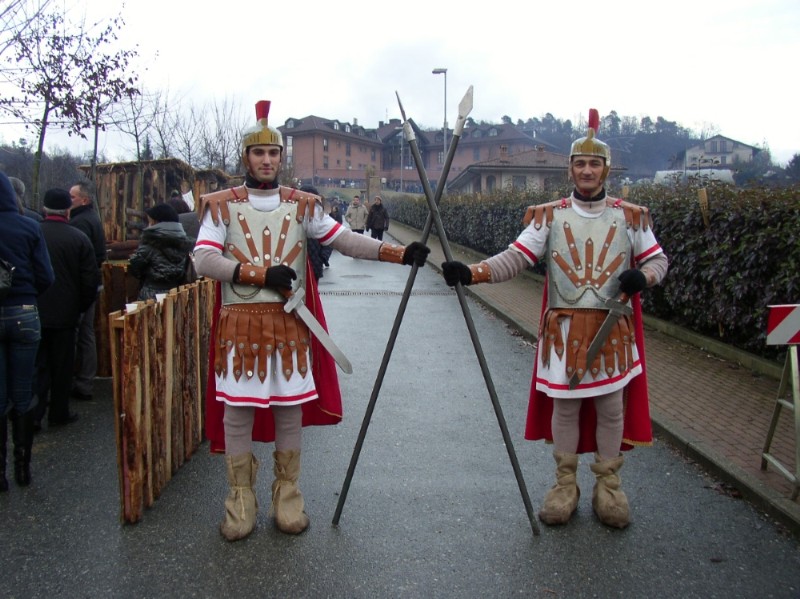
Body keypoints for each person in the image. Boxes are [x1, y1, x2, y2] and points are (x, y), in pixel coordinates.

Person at [193, 99, 430, 541]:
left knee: (288, 411)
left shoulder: (304, 206)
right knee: (239, 413)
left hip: (288, 325)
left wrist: (398, 253)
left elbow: (344, 240)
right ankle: (240, 500)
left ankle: (288, 494)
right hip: (240, 326)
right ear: (246, 158)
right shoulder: (220, 208)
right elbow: (203, 259)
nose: (266, 160)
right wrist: (258, 274)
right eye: (258, 153)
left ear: (281, 159)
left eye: (273, 153)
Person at [440, 110, 668, 529]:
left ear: (605, 169)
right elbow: (517, 257)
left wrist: (645, 275)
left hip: (611, 328)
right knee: (564, 409)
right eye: (579, 163)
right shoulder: (550, 216)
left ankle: (609, 487)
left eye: (594, 163)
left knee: (610, 408)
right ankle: (565, 485)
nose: (586, 170)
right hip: (563, 331)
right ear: (570, 169)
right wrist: (473, 272)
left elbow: (658, 260)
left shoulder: (629, 217)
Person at [0, 172, 54, 490]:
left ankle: (0, 474)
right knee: (22, 392)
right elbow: (46, 275)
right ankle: (24, 469)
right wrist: (27, 294)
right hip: (23, 312)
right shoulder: (29, 226)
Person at [33, 188, 99, 431]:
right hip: (66, 315)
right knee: (62, 367)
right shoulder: (78, 238)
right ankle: (59, 412)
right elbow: (89, 280)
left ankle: (34, 415)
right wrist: (78, 308)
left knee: (37, 366)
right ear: (67, 210)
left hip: (35, 311)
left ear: (44, 208)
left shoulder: (34, 233)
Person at [68, 181, 106, 402]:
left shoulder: (81, 222)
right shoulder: (90, 219)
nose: (68, 199)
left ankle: (79, 381)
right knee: (86, 334)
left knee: (79, 334)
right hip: (90, 284)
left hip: (82, 286)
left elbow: (80, 260)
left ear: (84, 200)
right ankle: (84, 380)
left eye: (72, 197)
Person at [128, 203, 196, 301]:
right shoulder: (185, 243)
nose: (148, 226)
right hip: (176, 294)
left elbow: (135, 268)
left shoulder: (150, 243)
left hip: (150, 295)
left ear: (157, 223)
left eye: (150, 222)